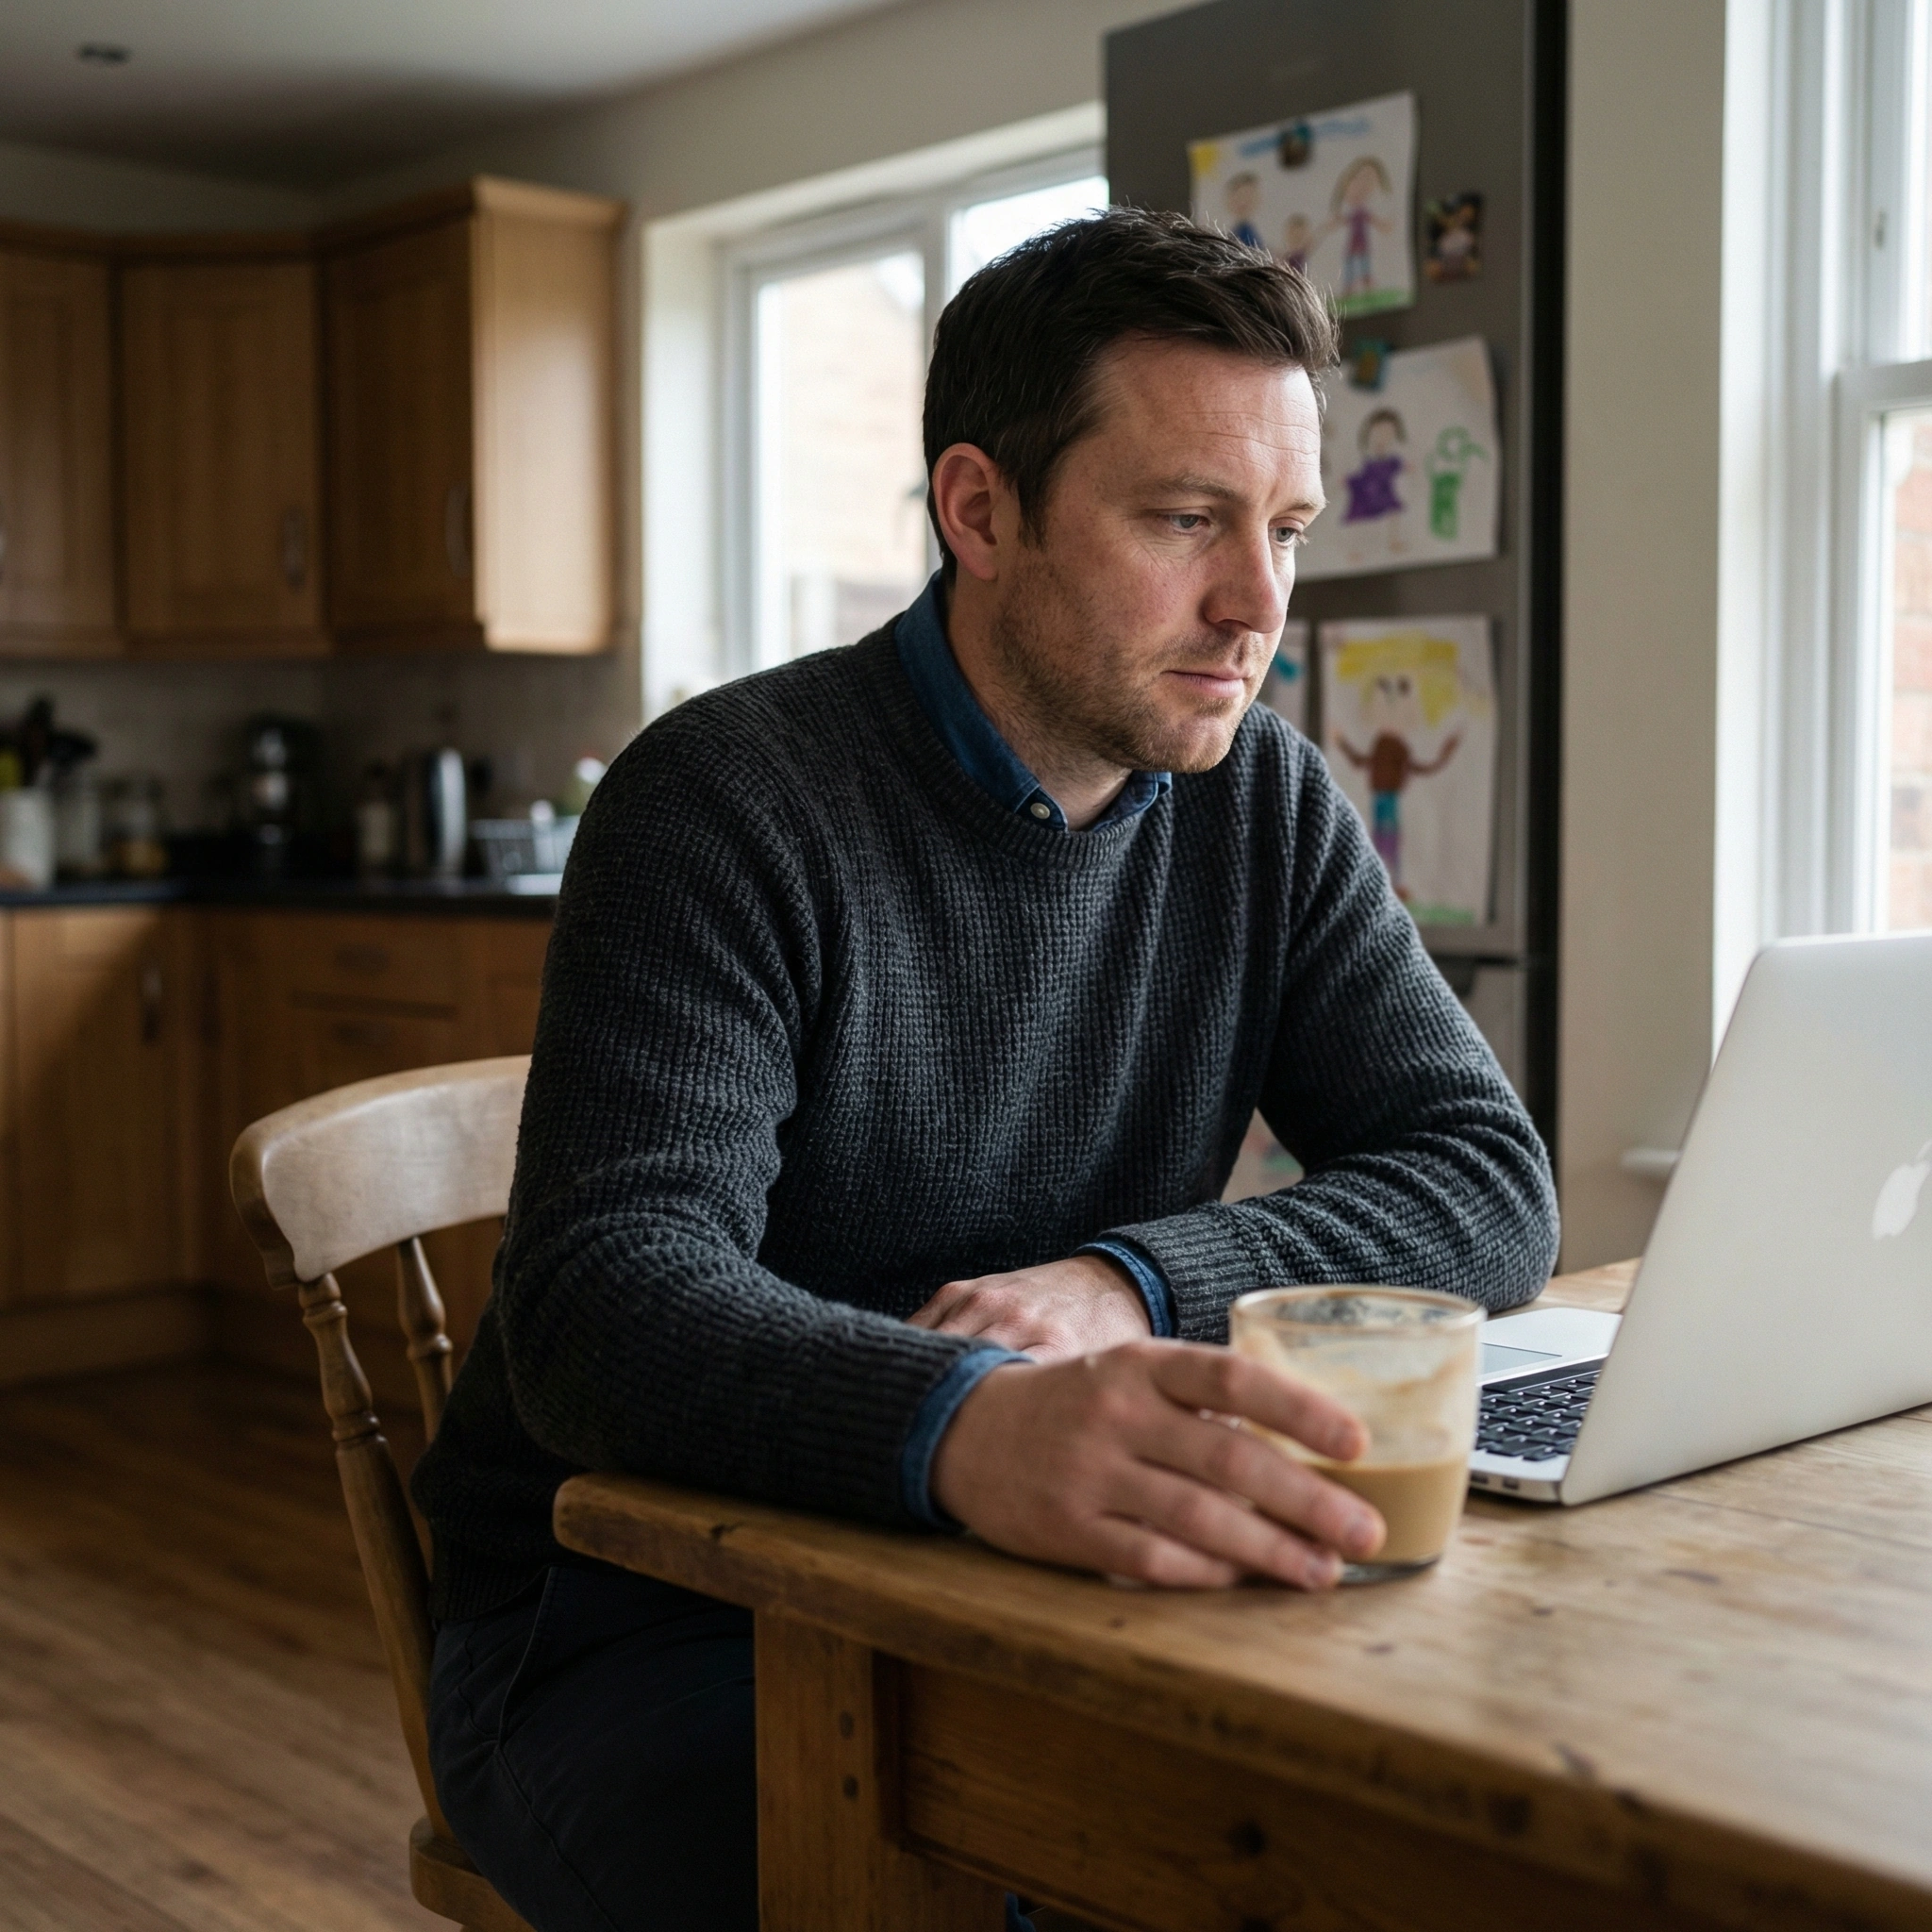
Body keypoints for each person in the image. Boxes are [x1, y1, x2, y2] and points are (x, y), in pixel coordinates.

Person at [412, 208, 1558, 1932]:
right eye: (1185, 520)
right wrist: (965, 1426)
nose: (1258, 606)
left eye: (1286, 530)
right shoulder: (725, 800)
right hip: (636, 1614)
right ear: (980, 511)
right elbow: (602, 1299)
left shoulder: (1262, 801)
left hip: (1020, 1567)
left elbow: (1484, 1178)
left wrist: (1128, 1285)